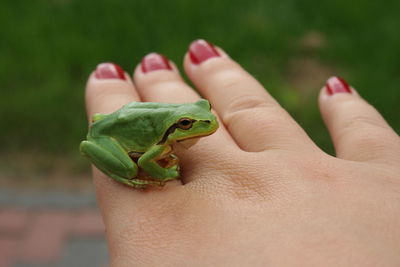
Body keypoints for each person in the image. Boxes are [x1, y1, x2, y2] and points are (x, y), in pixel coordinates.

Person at [84, 39, 400, 266]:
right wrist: (164, 172)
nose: (208, 122)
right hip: (111, 138)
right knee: (130, 169)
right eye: (186, 124)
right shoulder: (159, 145)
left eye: (204, 112)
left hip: (131, 121)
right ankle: (129, 173)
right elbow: (151, 160)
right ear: (176, 127)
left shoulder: (185, 124)